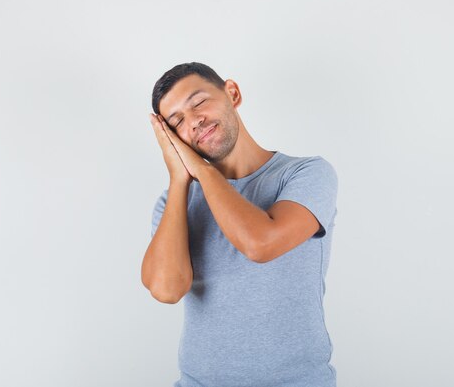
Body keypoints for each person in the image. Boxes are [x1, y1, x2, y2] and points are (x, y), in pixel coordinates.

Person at [141, 62, 339, 387]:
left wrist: (203, 172)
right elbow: (167, 289)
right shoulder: (173, 203)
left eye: (198, 102)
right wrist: (180, 179)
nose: (193, 122)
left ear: (232, 93)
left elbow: (260, 244)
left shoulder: (306, 174)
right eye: (177, 122)